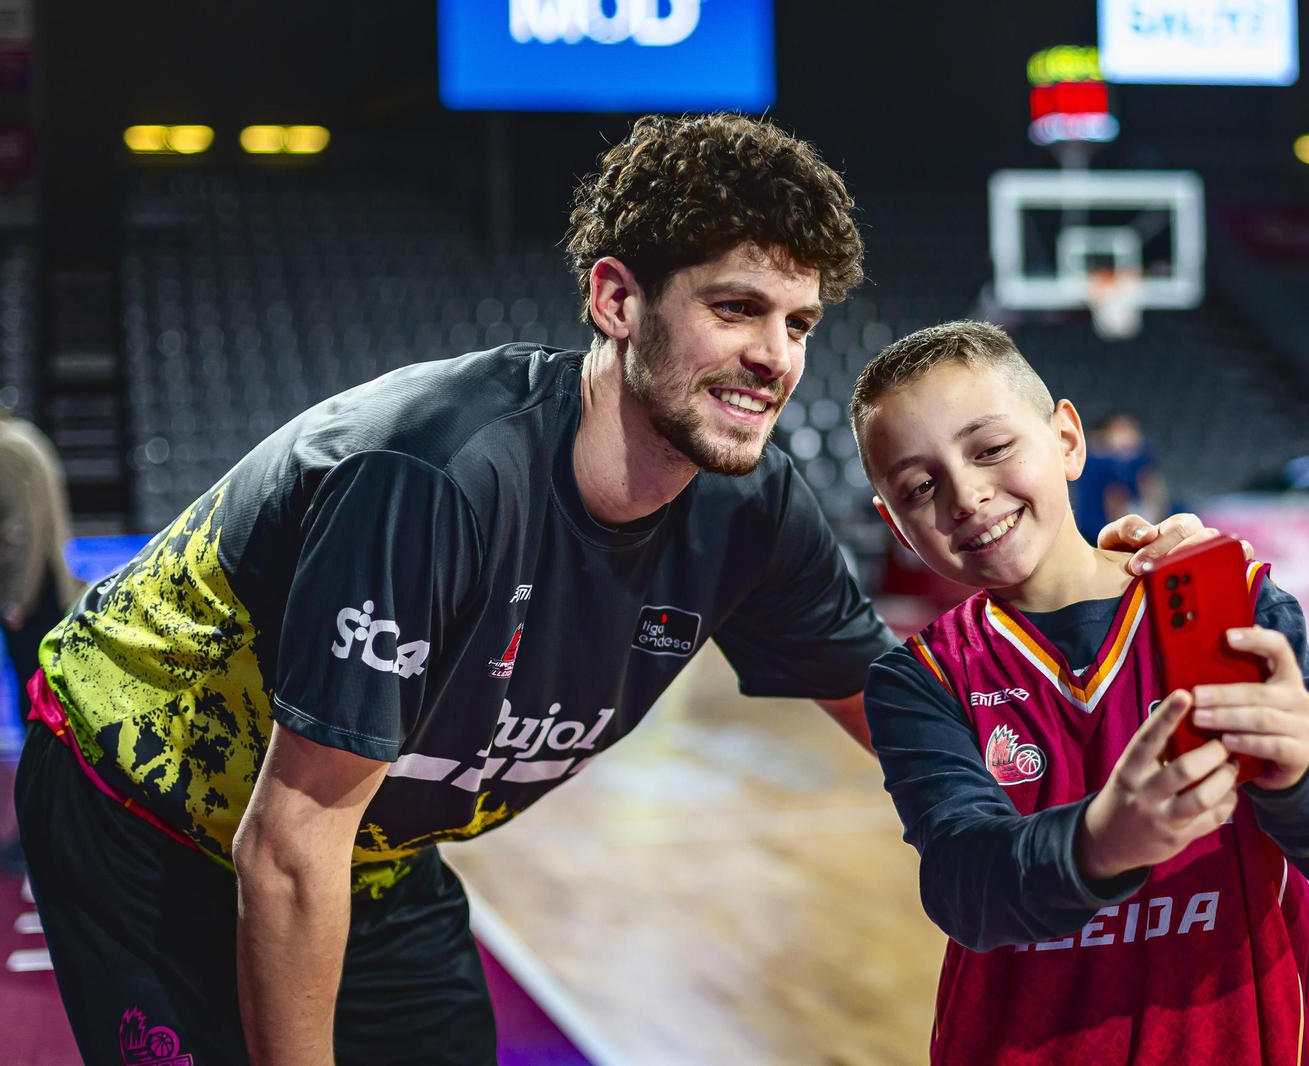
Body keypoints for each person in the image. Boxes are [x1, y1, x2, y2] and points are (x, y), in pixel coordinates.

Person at [15, 116, 1205, 1066]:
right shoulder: (434, 478)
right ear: (618, 300)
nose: (776, 358)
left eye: (797, 321)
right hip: (147, 799)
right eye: (736, 307)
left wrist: (1114, 613)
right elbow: (290, 838)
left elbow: (900, 708)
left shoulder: (750, 510)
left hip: (363, 841)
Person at [850, 321, 1309, 1065]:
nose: (968, 493)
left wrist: (1305, 771)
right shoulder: (922, 678)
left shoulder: (1234, 604)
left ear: (1069, 441)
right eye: (920, 486)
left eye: (991, 448)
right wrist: (1101, 841)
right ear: (895, 523)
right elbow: (962, 885)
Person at [0, 405, 82, 711]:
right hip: (48, 578)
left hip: (31, 589)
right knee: (48, 690)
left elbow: (21, 528)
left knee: (34, 696)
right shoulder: (25, 434)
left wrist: (16, 599)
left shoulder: (5, 446)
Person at [1072, 413, 1168, 543]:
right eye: (1123, 430)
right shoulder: (1105, 464)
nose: (1130, 437)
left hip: (1090, 532)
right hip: (1106, 533)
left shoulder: (1086, 457)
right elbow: (1117, 501)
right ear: (1106, 433)